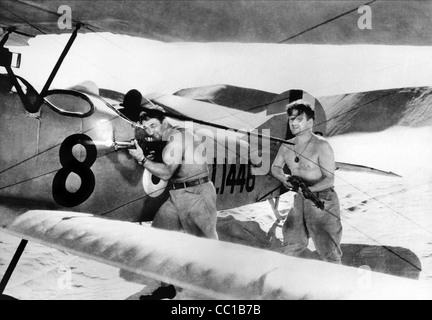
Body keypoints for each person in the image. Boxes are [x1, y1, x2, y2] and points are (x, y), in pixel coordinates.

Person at [128, 105, 219, 299]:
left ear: (164, 121)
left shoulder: (176, 136)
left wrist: (142, 159)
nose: (151, 131)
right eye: (147, 129)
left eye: (153, 125)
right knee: (159, 235)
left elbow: (168, 172)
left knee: (208, 247)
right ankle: (166, 286)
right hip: (178, 194)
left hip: (198, 194)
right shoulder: (170, 138)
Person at [271, 100, 343, 264]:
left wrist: (310, 190)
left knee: (328, 251)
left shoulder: (321, 146)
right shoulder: (287, 146)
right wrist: (283, 178)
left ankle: (335, 285)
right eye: (291, 119)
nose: (294, 123)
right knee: (291, 243)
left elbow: (329, 179)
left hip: (322, 200)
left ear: (310, 122)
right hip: (300, 199)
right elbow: (275, 167)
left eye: (299, 119)